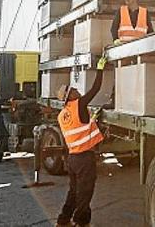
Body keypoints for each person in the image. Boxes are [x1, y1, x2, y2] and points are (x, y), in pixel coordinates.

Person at [56, 56, 107, 227]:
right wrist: (100, 69)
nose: (77, 90)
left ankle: (63, 220)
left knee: (74, 191)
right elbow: (96, 88)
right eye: (74, 90)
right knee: (85, 192)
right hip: (84, 158)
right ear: (70, 96)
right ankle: (81, 222)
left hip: (73, 159)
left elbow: (79, 125)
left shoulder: (62, 114)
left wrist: (92, 119)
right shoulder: (79, 104)